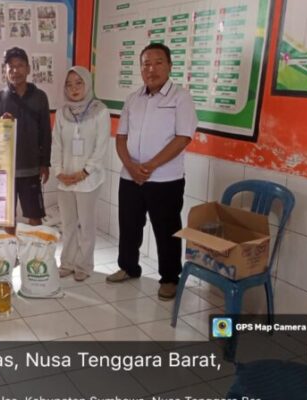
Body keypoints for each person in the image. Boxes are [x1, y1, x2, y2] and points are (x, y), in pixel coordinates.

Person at [106, 43, 198, 302]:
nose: (151, 69)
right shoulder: (133, 98)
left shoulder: (180, 97)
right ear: (140, 68)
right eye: (146, 64)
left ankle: (169, 278)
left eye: (158, 63)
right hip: (130, 176)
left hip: (165, 179)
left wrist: (151, 166)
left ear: (169, 66)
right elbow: (121, 137)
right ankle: (128, 267)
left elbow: (183, 138)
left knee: (166, 229)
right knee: (129, 225)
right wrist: (131, 166)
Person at [51, 66, 110, 282]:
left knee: (86, 225)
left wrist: (85, 172)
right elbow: (56, 144)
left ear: (87, 84)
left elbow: (101, 146)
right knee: (67, 224)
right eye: (69, 84)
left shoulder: (100, 111)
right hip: (65, 179)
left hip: (89, 180)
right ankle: (67, 262)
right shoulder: (62, 112)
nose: (74, 88)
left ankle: (84, 265)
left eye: (79, 83)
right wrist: (58, 172)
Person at [0, 47, 51, 232]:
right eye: (11, 66)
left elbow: (46, 132)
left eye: (20, 65)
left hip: (31, 168)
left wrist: (45, 163)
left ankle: (34, 249)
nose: (15, 71)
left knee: (35, 217)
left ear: (28, 68)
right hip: (4, 170)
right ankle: (10, 249)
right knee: (8, 218)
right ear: (5, 70)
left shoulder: (40, 97)